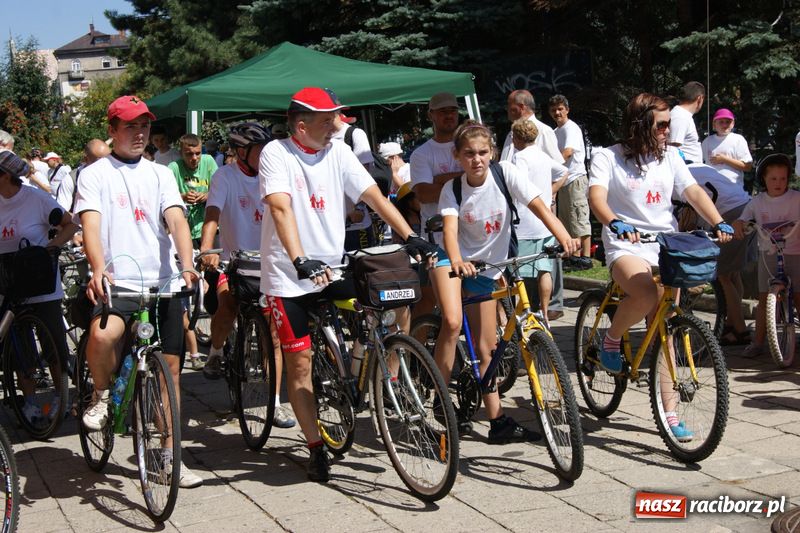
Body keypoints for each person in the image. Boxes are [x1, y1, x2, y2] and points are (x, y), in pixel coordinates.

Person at [259, 87, 437, 482]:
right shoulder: (277, 153)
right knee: (300, 362)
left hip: (333, 266)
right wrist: (299, 259)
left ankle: (362, 370)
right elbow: (279, 206)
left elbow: (373, 194)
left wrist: (409, 235)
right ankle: (316, 446)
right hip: (289, 276)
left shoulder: (337, 151)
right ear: (302, 126)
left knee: (386, 303)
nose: (336, 124)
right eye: (328, 120)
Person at [75, 95, 203, 489]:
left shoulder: (161, 173)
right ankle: (100, 392)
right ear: (112, 131)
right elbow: (91, 227)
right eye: (130, 126)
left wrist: (187, 263)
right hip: (120, 282)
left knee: (171, 374)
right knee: (102, 335)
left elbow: (177, 220)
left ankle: (168, 456)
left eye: (144, 126)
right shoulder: (95, 174)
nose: (139, 133)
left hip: (163, 283)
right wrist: (98, 269)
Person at [588, 93, 732, 442]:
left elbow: (694, 191)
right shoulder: (609, 157)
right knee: (645, 292)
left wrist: (718, 221)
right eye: (662, 124)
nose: (668, 130)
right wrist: (614, 221)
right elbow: (596, 197)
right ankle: (611, 340)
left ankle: (668, 415)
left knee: (665, 326)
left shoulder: (670, 157)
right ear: (641, 126)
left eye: (669, 123)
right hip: (625, 243)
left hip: (664, 245)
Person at [438, 119, 579, 441]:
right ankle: (438, 397)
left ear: (493, 153)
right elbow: (448, 230)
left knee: (487, 348)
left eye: (483, 152)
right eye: (469, 153)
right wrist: (458, 260)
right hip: (454, 258)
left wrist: (566, 238)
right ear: (458, 156)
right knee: (452, 321)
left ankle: (498, 422)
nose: (477, 159)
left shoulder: (506, 174)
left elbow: (541, 207)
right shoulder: (453, 189)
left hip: (489, 266)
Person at [198, 122, 296, 429]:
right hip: (234, 261)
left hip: (270, 264)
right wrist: (206, 248)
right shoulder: (225, 176)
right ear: (241, 152)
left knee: (274, 336)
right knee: (227, 304)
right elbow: (212, 214)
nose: (265, 154)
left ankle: (275, 402)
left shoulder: (274, 174)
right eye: (259, 149)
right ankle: (215, 351)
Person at [0, 151, 78, 424]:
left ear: (6, 176)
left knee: (53, 342)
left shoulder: (36, 199)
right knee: (19, 345)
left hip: (40, 280)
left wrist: (52, 248)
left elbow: (69, 223)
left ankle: (60, 396)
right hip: (7, 282)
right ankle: (30, 401)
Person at [500, 89, 566, 321]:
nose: (507, 110)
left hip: (529, 215)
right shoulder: (516, 137)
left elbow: (559, 165)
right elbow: (561, 170)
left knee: (518, 269)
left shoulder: (543, 133)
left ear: (520, 107)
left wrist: (548, 195)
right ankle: (541, 312)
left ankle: (527, 312)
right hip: (535, 212)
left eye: (510, 105)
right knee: (543, 267)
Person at [733, 153, 800, 358]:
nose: (778, 183)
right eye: (773, 179)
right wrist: (739, 224)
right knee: (764, 299)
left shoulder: (796, 198)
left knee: (798, 296)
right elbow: (744, 218)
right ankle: (758, 342)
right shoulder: (758, 201)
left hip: (794, 253)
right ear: (764, 179)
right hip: (768, 254)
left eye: (783, 178)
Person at [410, 92, 463, 321]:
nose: (449, 115)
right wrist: (462, 179)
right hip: (436, 239)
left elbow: (482, 181)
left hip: (472, 236)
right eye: (442, 111)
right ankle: (417, 354)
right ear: (431, 115)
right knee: (432, 303)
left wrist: (442, 179)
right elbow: (424, 194)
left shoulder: (469, 146)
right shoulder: (422, 154)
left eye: (452, 110)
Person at [687, 162, 752, 345]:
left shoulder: (681, 174)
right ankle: (731, 324)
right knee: (733, 274)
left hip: (729, 214)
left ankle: (740, 329)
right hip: (747, 208)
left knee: (722, 275)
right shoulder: (700, 166)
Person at [549, 94, 592, 270]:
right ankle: (572, 256)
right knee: (568, 220)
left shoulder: (571, 128)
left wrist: (552, 166)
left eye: (560, 109)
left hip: (575, 178)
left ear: (567, 109)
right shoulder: (555, 132)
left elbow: (568, 152)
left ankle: (585, 257)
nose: (557, 112)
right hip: (563, 181)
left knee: (579, 217)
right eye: (553, 110)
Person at [168, 134, 218, 247]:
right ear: (181, 153)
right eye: (189, 154)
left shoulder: (208, 161)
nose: (194, 158)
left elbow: (220, 190)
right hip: (183, 229)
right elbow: (165, 197)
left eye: (198, 153)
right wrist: (183, 197)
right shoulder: (174, 167)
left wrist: (208, 195)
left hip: (207, 226)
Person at [55, 139, 111, 213]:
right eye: (99, 161)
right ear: (86, 159)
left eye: (109, 160)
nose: (104, 165)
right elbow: (62, 213)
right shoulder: (71, 179)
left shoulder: (114, 175)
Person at [701, 108, 753, 187]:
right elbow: (700, 163)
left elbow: (747, 166)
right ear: (714, 124)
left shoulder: (738, 139)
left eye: (728, 122)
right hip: (711, 188)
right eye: (721, 122)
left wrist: (724, 159)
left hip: (733, 189)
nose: (724, 125)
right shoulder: (707, 141)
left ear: (733, 124)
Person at [668, 81, 705, 164]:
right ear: (700, 98)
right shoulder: (681, 117)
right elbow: (672, 149)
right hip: (686, 169)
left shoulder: (683, 115)